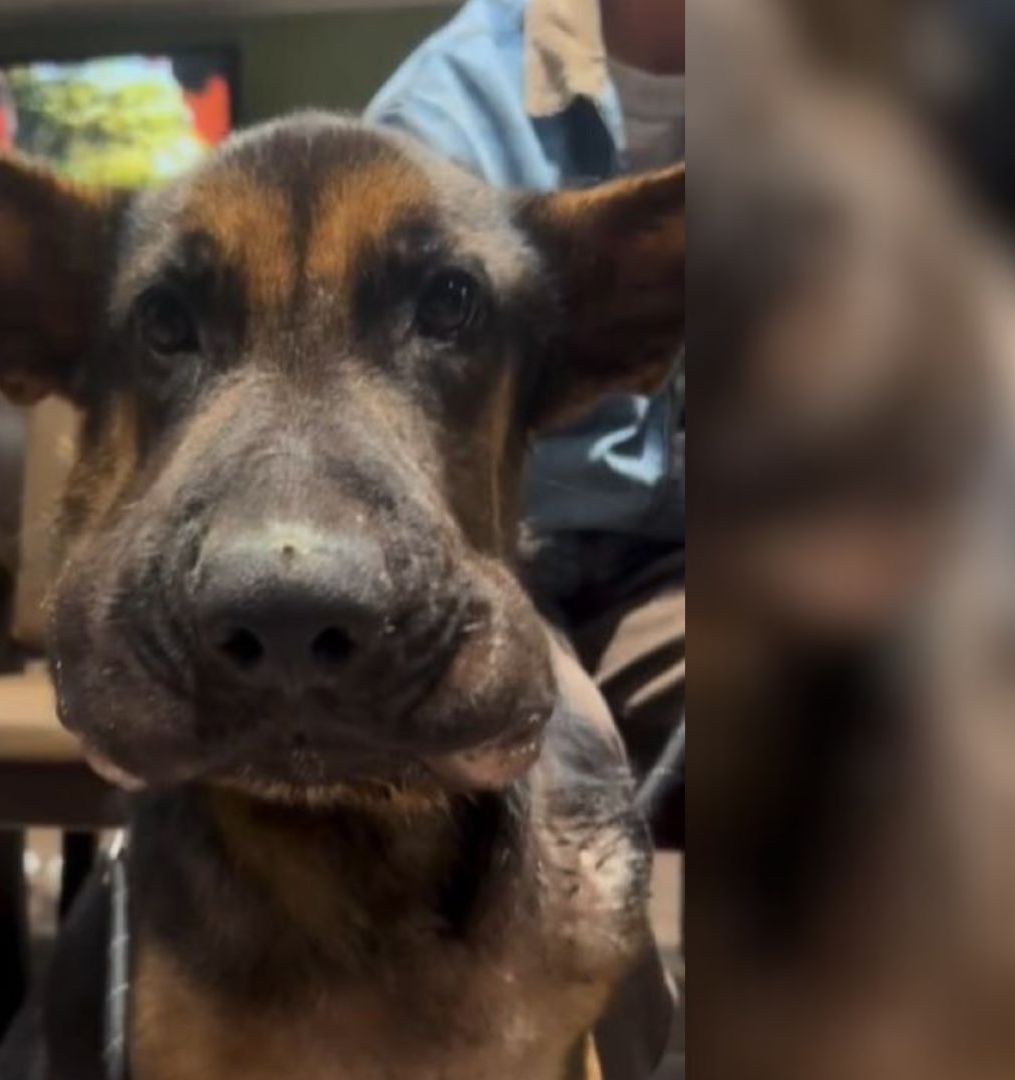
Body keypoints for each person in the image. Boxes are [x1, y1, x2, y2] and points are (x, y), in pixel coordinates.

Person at [369, 5, 686, 1078]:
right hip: (497, 557)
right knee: (562, 783)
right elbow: (392, 449)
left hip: (681, 564)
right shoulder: (440, 111)